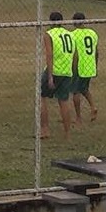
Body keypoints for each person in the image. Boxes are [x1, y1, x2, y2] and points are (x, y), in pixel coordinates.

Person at [40, 12, 77, 140]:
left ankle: (45, 130)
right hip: (66, 71)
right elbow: (75, 54)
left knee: (42, 97)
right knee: (64, 102)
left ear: (50, 22)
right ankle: (67, 134)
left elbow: (49, 55)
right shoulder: (70, 34)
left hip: (54, 70)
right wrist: (72, 70)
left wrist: (50, 76)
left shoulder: (49, 34)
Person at [70, 12, 99, 123]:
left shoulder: (73, 35)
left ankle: (78, 117)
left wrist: (73, 68)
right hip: (90, 65)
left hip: (78, 66)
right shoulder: (92, 33)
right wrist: (95, 65)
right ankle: (93, 107)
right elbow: (96, 52)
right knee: (84, 89)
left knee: (75, 91)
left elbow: (75, 54)